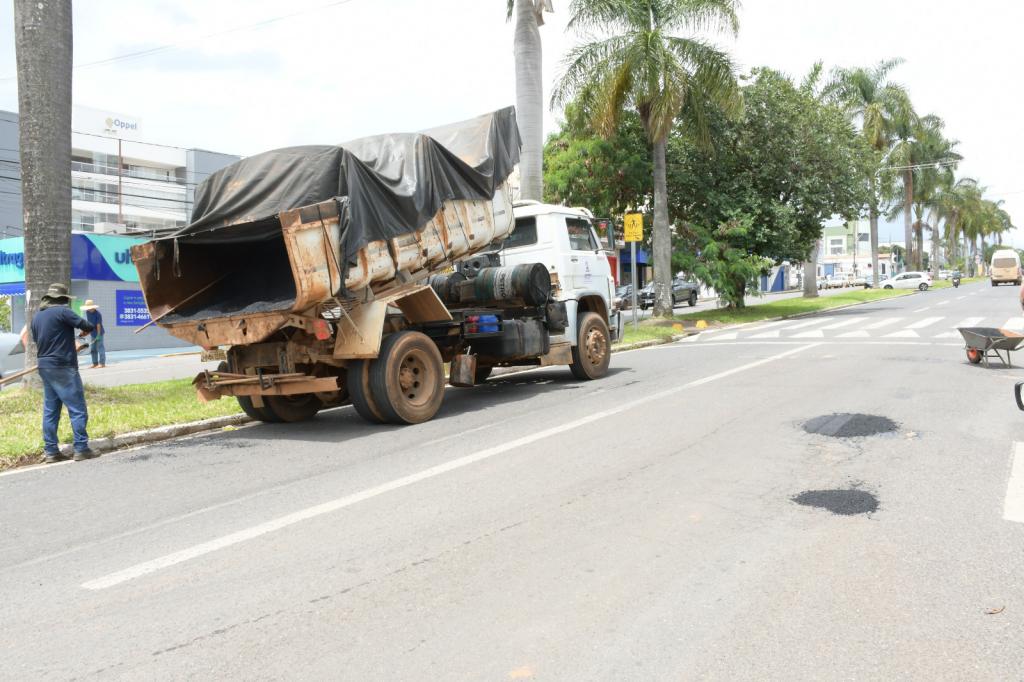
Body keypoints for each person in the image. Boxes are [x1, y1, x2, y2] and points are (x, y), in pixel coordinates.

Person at [29, 283, 97, 463]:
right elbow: (87, 325)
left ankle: (51, 451)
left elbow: (38, 340)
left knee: (51, 410)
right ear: (63, 299)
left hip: (45, 366)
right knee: (77, 409)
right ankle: (81, 448)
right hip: (63, 366)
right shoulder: (63, 312)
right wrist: (84, 330)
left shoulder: (37, 317)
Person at [81, 299, 106, 368]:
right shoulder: (87, 312)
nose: (88, 309)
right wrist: (86, 331)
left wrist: (98, 335)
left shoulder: (98, 314)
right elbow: (89, 323)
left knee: (100, 348)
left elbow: (98, 325)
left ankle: (102, 363)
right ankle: (95, 363)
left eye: (89, 308)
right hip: (93, 333)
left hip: (99, 333)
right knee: (93, 349)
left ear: (92, 307)